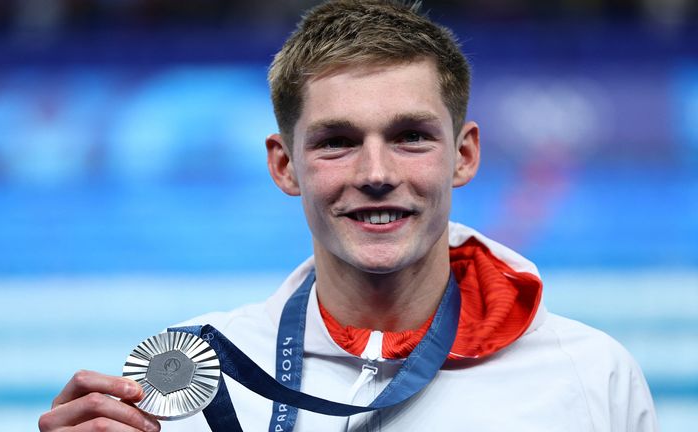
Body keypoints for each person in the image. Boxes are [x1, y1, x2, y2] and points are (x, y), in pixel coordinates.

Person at [38, 1, 659, 431]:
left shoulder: (588, 373)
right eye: (336, 141)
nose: (375, 173)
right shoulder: (198, 381)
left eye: (411, 136)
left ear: (464, 155)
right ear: (284, 166)